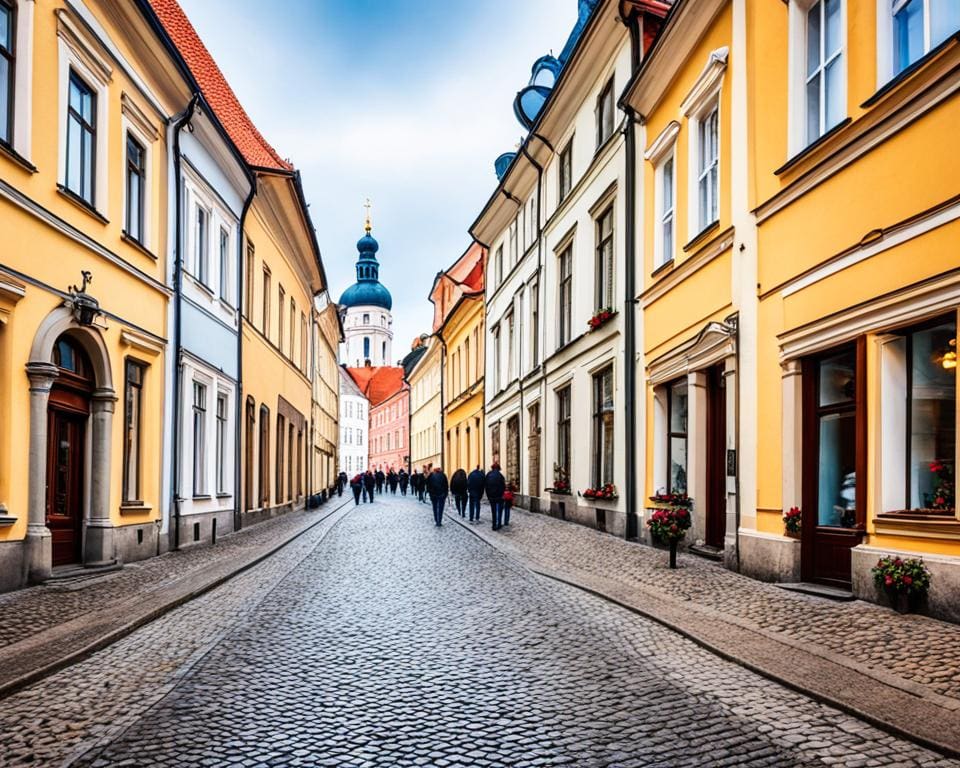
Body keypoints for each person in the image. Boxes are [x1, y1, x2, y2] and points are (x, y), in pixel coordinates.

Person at [485, 462, 506, 531]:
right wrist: (502, 494)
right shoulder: (500, 476)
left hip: (491, 496)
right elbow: (503, 487)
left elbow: (486, 486)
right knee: (499, 510)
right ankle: (499, 524)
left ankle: (494, 525)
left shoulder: (488, 475)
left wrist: (488, 496)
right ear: (498, 468)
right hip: (499, 496)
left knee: (493, 511)